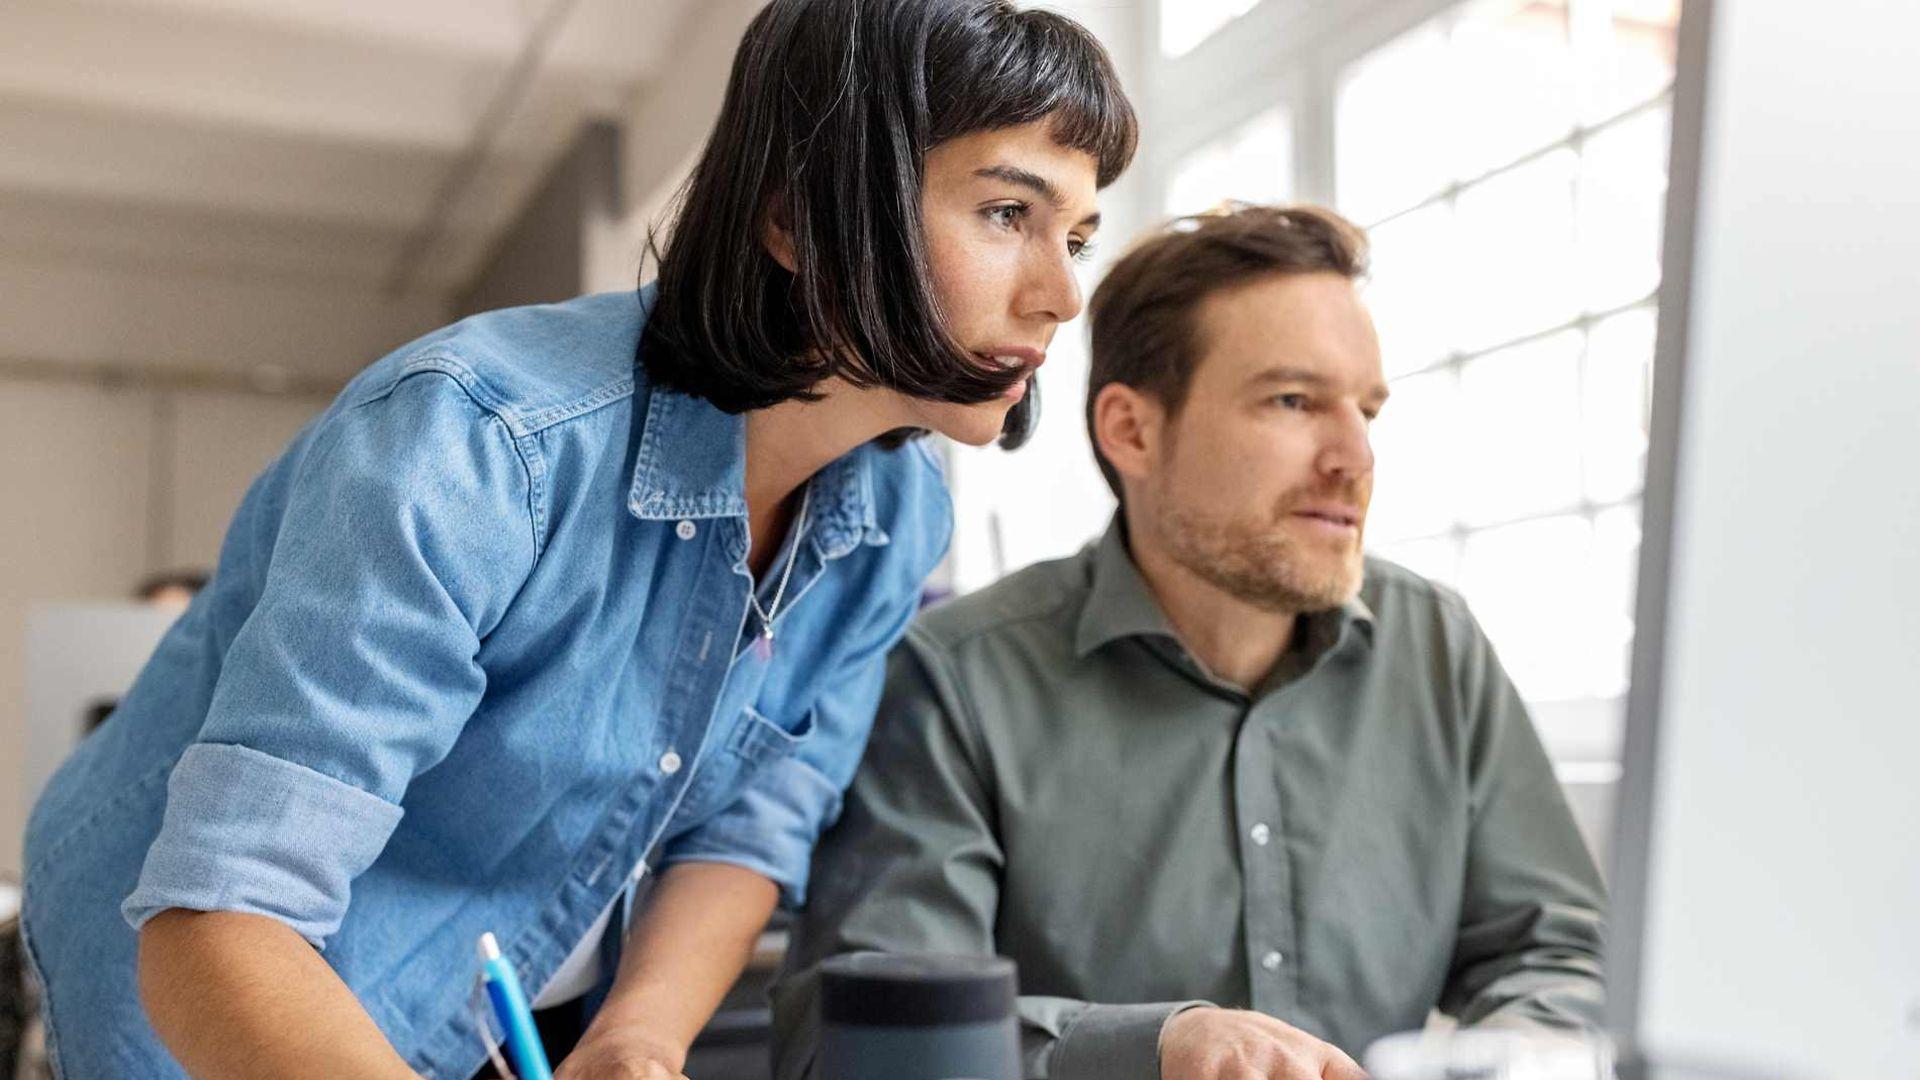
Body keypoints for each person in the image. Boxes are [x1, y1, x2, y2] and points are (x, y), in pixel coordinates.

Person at [19, 2, 1135, 1076]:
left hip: (497, 984)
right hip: (211, 996)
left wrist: (636, 1039)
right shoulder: (477, 443)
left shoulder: (898, 517)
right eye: (1006, 215)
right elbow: (228, 910)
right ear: (797, 220)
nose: (1062, 295)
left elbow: (753, 826)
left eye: (1077, 236)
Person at [772, 205, 1608, 1080]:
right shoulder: (954, 680)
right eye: (1293, 401)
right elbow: (850, 1042)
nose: (1355, 458)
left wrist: (1519, 1055)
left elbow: (1559, 955)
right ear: (1131, 430)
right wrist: (1152, 1049)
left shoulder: (1440, 646)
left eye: (1366, 409)